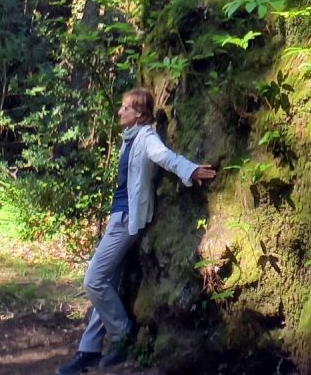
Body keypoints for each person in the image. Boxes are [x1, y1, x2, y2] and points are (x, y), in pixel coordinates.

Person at [56, 87, 216, 374]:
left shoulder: (146, 137)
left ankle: (121, 335)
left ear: (140, 114)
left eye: (125, 108)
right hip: (117, 217)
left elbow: (166, 157)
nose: (120, 112)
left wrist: (190, 170)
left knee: (93, 280)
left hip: (127, 220)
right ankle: (89, 350)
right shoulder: (129, 138)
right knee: (108, 282)